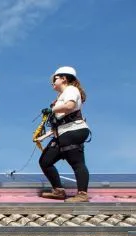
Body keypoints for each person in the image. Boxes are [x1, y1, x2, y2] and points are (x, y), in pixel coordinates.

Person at [39, 66, 91, 202]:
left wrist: (52, 110)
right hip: (63, 133)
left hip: (73, 130)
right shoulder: (61, 96)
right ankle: (58, 190)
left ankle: (82, 194)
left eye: (55, 78)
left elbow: (69, 106)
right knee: (45, 161)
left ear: (64, 78)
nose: (53, 81)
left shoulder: (71, 90)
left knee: (77, 162)